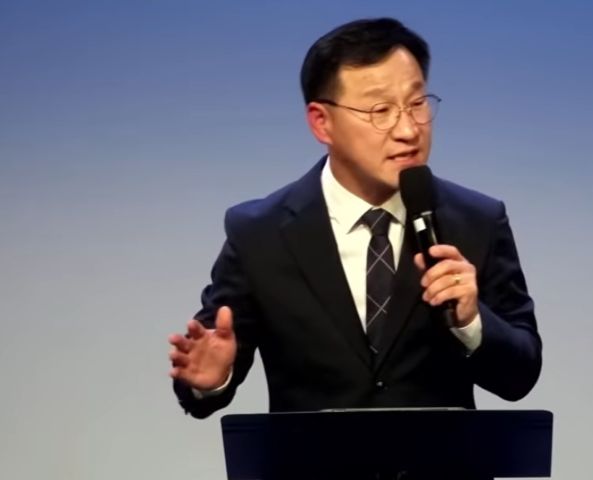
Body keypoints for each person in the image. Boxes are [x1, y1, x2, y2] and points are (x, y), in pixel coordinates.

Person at [167, 17, 542, 417]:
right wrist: (209, 381)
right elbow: (207, 366)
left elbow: (520, 376)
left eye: (417, 103)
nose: (408, 130)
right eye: (381, 110)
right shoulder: (260, 233)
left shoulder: (477, 221)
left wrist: (471, 322)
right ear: (322, 122)